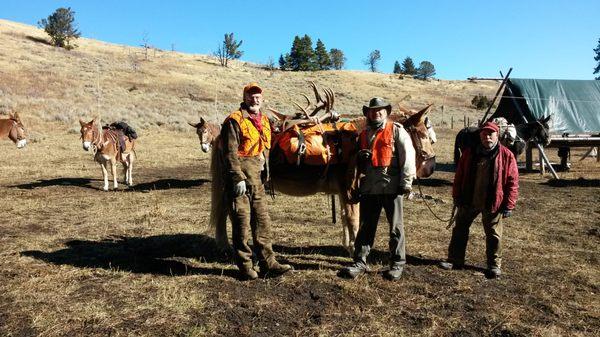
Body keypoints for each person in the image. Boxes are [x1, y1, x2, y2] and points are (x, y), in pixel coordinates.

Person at [221, 82, 293, 280]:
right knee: (241, 222)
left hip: (258, 179)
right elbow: (229, 152)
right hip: (241, 179)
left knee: (262, 222)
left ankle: (268, 263)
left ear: (262, 99)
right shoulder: (234, 120)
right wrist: (237, 177)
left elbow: (276, 137)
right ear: (244, 98)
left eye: (258, 96)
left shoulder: (265, 120)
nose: (255, 99)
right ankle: (245, 267)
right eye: (251, 95)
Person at [339, 97, 416, 281]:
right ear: (368, 113)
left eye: (380, 110)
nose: (377, 113)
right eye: (373, 110)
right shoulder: (363, 134)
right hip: (369, 187)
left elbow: (408, 156)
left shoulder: (396, 130)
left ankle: (397, 264)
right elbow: (355, 163)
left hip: (392, 186)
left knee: (395, 228)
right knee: (366, 227)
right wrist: (360, 156)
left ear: (386, 112)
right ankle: (360, 262)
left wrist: (406, 182)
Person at [439, 121, 519, 279]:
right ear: (480, 135)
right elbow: (459, 176)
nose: (487, 137)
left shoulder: (506, 155)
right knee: (460, 229)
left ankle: (494, 266)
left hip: (493, 202)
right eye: (484, 134)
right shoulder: (469, 153)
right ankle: (455, 260)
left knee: (494, 235)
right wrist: (456, 196)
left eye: (491, 134)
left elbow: (512, 182)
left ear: (497, 135)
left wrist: (509, 205)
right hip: (469, 198)